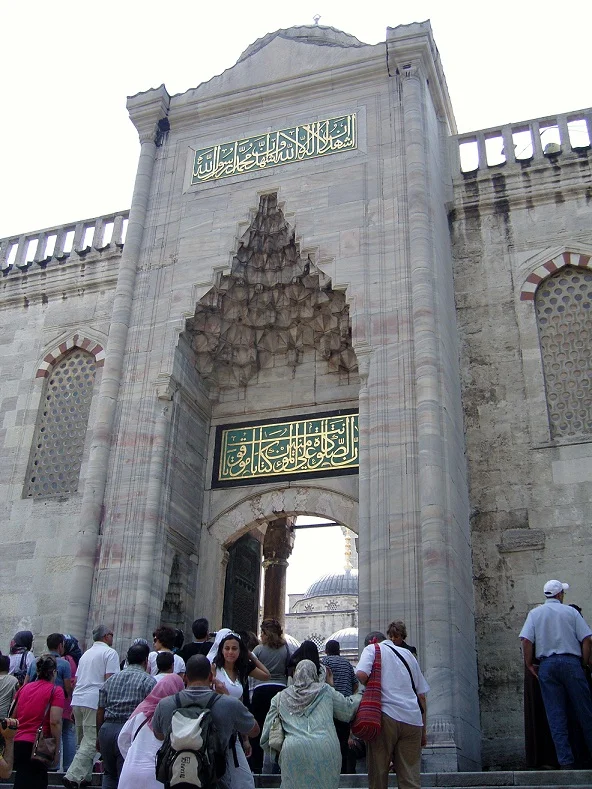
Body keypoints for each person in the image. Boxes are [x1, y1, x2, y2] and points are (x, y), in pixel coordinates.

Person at [152, 655, 259, 789]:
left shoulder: (165, 704)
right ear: (210, 677)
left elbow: (159, 735)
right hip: (215, 781)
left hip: (176, 779)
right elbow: (254, 731)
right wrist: (227, 695)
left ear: (185, 677)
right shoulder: (229, 704)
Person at [519, 578, 592, 768]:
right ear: (560, 595)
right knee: (585, 711)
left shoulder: (535, 614)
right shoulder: (570, 612)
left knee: (555, 715)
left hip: (547, 665)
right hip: (571, 662)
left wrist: (529, 664)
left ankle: (565, 761)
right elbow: (587, 639)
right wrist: (584, 664)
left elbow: (526, 640)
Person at [261, 659, 361, 789]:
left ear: (295, 674)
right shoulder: (325, 690)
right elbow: (347, 710)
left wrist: (278, 754)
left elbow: (266, 735)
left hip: (293, 751)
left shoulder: (279, 697)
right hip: (326, 748)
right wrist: (360, 693)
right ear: (315, 674)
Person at [356, 622, 429, 789]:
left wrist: (372, 684)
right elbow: (421, 696)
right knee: (410, 779)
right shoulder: (408, 654)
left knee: (378, 775)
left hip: (385, 717)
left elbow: (361, 674)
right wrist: (423, 731)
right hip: (413, 720)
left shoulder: (372, 649)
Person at [63, 624, 120, 789]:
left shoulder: (85, 654)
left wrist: (74, 702)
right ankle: (73, 775)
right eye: (111, 634)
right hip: (94, 700)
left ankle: (85, 777)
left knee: (82, 741)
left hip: (78, 699)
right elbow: (110, 681)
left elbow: (77, 680)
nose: (112, 636)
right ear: (106, 636)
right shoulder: (110, 653)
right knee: (91, 741)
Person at [96, 643, 156, 789]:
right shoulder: (148, 681)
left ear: (127, 660)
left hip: (107, 729)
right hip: (129, 731)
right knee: (125, 777)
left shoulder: (111, 680)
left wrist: (99, 734)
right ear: (145, 661)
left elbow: (100, 709)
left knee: (109, 774)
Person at [117, 673, 184, 789]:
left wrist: (133, 757)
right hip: (156, 775)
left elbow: (122, 739)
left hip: (130, 771)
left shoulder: (141, 710)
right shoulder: (174, 714)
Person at [13, 654, 65, 789]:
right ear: (54, 672)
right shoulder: (56, 691)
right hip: (39, 745)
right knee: (38, 781)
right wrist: (57, 749)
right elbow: (55, 721)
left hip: (19, 741)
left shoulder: (24, 688)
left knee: (21, 779)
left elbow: (13, 715)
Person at [250, 618, 292, 773]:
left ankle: (257, 766)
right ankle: (279, 766)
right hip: (280, 690)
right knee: (280, 728)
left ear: (266, 633)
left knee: (259, 727)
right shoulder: (285, 649)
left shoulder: (258, 650)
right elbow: (289, 668)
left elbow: (250, 668)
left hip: (261, 690)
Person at [27, 633, 74, 771]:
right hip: (58, 704)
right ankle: (65, 766)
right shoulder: (64, 664)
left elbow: (27, 682)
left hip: (37, 703)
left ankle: (39, 756)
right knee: (66, 732)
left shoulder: (35, 662)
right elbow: (67, 687)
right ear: (60, 645)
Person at [322, 639, 358, 774]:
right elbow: (355, 684)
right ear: (339, 651)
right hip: (344, 707)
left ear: (326, 651)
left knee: (329, 741)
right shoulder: (347, 664)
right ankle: (342, 772)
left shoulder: (325, 662)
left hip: (330, 706)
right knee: (343, 742)